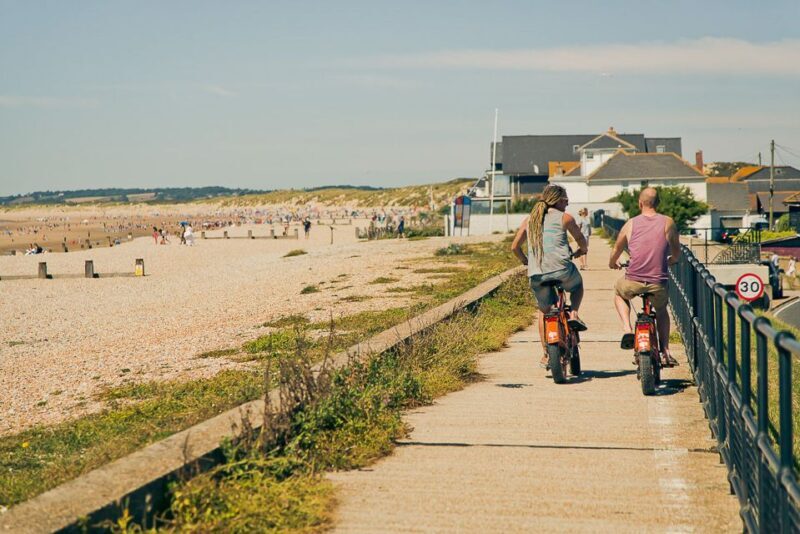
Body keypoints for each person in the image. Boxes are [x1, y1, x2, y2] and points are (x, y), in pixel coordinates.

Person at [511, 184, 588, 368]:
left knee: (544, 311)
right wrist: (581, 251)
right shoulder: (565, 218)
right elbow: (580, 240)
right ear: (558, 200)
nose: (568, 202)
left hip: (537, 274)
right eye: (565, 199)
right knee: (577, 286)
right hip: (562, 269)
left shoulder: (530, 220)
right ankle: (574, 314)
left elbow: (514, 247)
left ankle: (546, 353)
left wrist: (526, 261)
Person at [608, 187, 681, 367]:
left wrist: (613, 262)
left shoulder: (630, 223)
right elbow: (676, 249)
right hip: (657, 282)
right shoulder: (668, 222)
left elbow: (617, 248)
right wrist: (672, 259)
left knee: (618, 292)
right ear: (658, 204)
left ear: (640, 203)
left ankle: (626, 328)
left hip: (633, 280)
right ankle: (665, 350)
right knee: (662, 310)